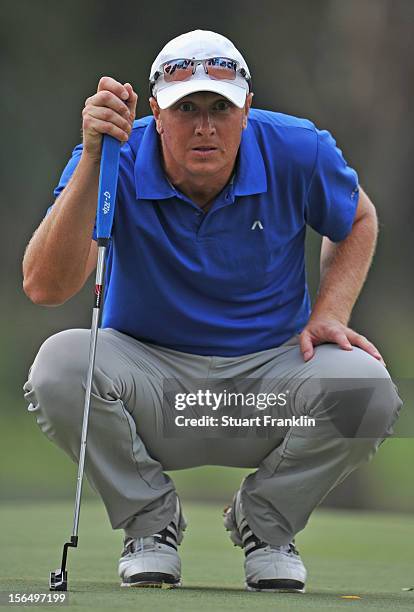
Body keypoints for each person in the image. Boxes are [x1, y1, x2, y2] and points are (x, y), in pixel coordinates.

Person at [22, 29, 402, 592]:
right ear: (156, 111)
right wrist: (95, 158)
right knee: (59, 364)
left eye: (220, 107)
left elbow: (358, 220)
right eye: (186, 109)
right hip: (148, 385)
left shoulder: (298, 148)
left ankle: (266, 524)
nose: (205, 126)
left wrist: (332, 310)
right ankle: (151, 525)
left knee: (367, 388)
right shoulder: (111, 159)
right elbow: (46, 286)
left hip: (268, 383)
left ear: (246, 108)